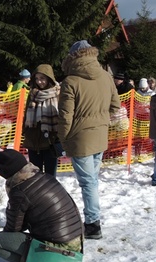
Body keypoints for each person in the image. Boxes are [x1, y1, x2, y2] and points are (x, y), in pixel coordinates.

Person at [57, 40, 120, 240]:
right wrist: (101, 119)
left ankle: (93, 224)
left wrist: (64, 140)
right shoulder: (106, 76)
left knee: (88, 182)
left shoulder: (70, 81)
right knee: (91, 181)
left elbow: (66, 116)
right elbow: (115, 105)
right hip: (100, 135)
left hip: (80, 138)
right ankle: (93, 221)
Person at [0, 149, 83, 262]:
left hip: (58, 247)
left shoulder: (19, 190)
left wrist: (4, 236)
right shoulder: (43, 176)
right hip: (76, 239)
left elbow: (13, 229)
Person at [22, 64, 61, 176]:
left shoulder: (58, 93)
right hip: (33, 139)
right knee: (35, 175)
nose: (39, 82)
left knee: (50, 175)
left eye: (42, 78)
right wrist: (25, 131)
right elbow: (26, 114)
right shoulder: (32, 93)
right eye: (37, 79)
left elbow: (63, 115)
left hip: (51, 139)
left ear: (49, 79)